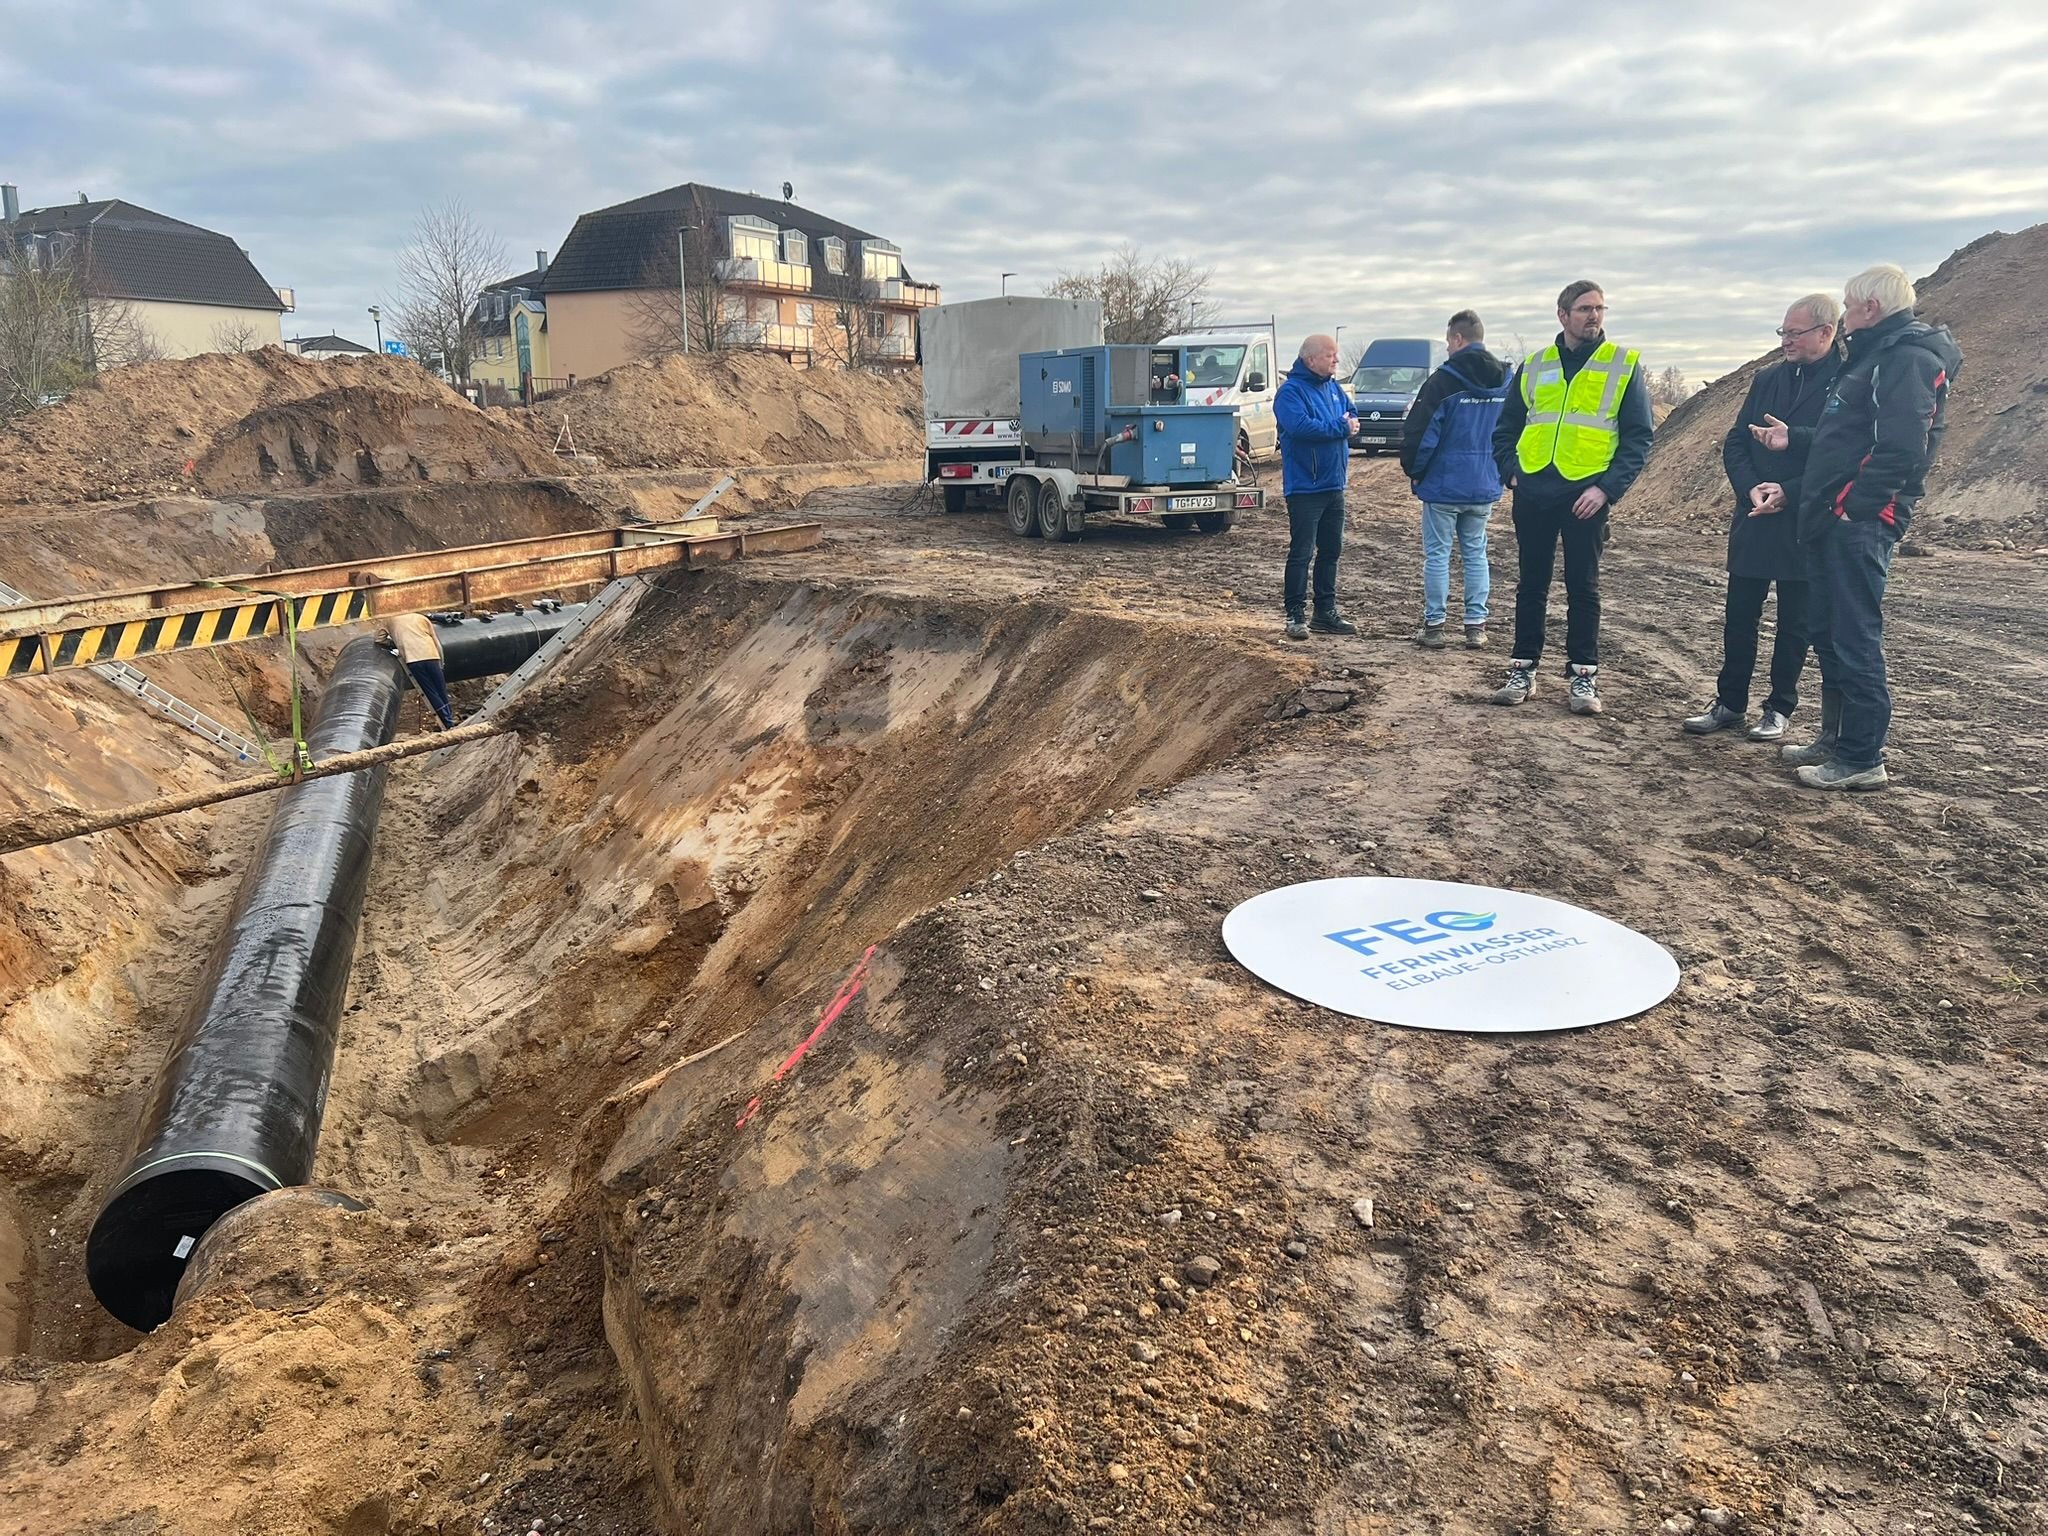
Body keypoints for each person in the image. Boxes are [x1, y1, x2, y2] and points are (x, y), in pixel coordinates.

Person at [1783, 264, 1960, 791]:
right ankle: (1835, 740)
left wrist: (1853, 507)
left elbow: (1904, 447)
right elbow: (1846, 436)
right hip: (1831, 520)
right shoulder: (1871, 358)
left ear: (1870, 308)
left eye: (1848, 303)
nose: (1844, 313)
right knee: (1828, 630)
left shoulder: (1905, 358)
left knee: (1855, 634)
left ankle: (1862, 756)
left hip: (1857, 525)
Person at [1682, 294, 1845, 742]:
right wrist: (1749, 487)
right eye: (1783, 332)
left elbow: (1840, 454)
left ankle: (1779, 708)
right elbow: (1736, 442)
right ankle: (1730, 702)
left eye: (1794, 333)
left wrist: (1788, 492)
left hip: (1803, 517)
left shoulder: (1846, 382)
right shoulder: (1768, 378)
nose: (1786, 340)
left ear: (1826, 332)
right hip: (1754, 513)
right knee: (1739, 616)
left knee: (1796, 621)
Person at [1488, 281, 1655, 714]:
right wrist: (1511, 472)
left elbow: (1638, 439)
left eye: (1599, 308)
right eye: (1584, 309)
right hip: (1535, 492)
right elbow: (1506, 427)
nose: (1593, 316)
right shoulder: (1536, 364)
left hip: (1587, 495)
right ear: (1562, 315)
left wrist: (1606, 489)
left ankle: (1583, 675)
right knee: (1531, 584)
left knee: (1583, 587)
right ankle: (1523, 668)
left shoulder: (1623, 365)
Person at [1400, 309, 1510, 649]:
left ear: (1458, 339)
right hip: (1484, 483)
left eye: (1449, 341)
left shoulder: (1442, 381)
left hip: (1444, 486)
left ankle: (1435, 625)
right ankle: (1475, 625)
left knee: (1437, 555)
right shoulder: (1506, 380)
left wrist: (1415, 473)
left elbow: (1421, 434)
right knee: (1476, 553)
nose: (1448, 348)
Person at [1274, 333, 1359, 641]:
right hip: (1305, 487)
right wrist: (1341, 427)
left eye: (1335, 355)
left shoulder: (1334, 388)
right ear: (1310, 359)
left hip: (1334, 484)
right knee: (1302, 552)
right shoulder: (1290, 394)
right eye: (1330, 355)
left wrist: (1349, 423)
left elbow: (1352, 414)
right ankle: (1295, 614)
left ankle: (1325, 611)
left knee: (1331, 549)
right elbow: (1300, 428)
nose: (1336, 360)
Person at [384, 611, 456, 729]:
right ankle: (450, 718)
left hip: (413, 659)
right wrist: (441, 661)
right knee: (441, 689)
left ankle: (447, 722)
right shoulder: (421, 618)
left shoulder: (389, 620)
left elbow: (378, 638)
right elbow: (435, 640)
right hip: (432, 656)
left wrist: (392, 643)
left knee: (430, 691)